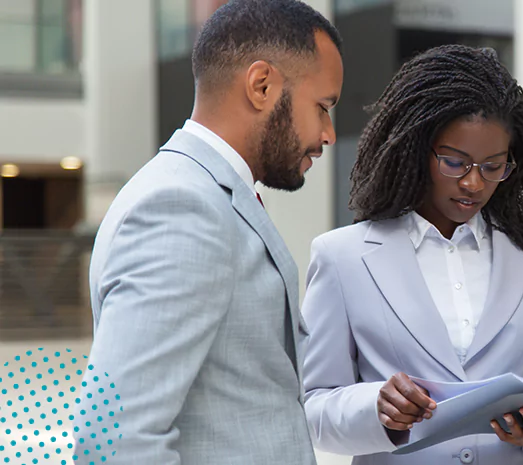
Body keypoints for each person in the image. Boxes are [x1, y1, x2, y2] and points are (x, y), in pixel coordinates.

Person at [75, 1, 343, 463]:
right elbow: (114, 438)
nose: (329, 134)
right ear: (262, 86)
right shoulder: (183, 208)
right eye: (322, 107)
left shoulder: (207, 195)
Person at [301, 45, 523, 465]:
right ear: (418, 149)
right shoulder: (342, 257)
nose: (473, 183)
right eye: (455, 162)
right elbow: (314, 407)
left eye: (493, 166)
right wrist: (376, 407)